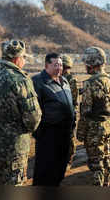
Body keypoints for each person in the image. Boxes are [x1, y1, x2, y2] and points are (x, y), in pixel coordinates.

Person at [0, 40, 42, 186]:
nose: (24, 61)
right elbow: (33, 118)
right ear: (17, 58)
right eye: (24, 58)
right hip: (11, 149)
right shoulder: (20, 79)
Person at [32, 52, 74, 186]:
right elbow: (33, 110)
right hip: (48, 135)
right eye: (55, 65)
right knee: (45, 170)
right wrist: (39, 132)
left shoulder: (64, 81)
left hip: (65, 133)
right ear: (46, 65)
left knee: (60, 168)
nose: (59, 68)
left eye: (61, 65)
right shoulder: (38, 82)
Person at [77, 47, 110, 186]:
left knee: (96, 164)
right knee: (105, 159)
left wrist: (80, 132)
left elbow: (86, 110)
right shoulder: (109, 80)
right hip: (106, 125)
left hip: (94, 129)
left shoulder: (90, 83)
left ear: (91, 64)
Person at [62, 55, 79, 170]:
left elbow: (73, 99)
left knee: (69, 137)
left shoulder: (71, 80)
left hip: (68, 113)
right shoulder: (56, 78)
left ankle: (69, 159)